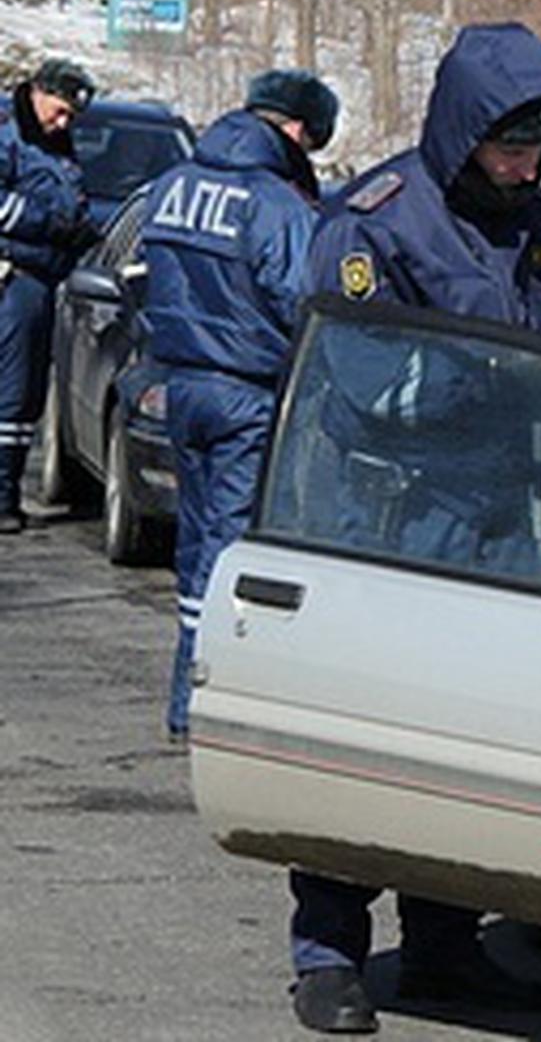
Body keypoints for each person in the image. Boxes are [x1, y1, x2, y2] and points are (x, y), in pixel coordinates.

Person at [289, 21, 541, 1036]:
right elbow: (345, 377)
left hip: (502, 526)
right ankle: (328, 952)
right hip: (384, 521)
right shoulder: (379, 223)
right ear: (461, 130)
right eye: (507, 145)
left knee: (470, 747)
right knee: (364, 743)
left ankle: (445, 943)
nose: (523, 165)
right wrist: (490, 375)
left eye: (538, 148)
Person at [140, 68, 340, 743]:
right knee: (228, 554)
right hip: (246, 395)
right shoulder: (271, 202)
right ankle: (199, 704)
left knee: (195, 543)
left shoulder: (172, 185)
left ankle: (184, 697)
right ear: (293, 130)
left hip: (181, 385)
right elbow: (301, 300)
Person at [0, 58, 97, 534]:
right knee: (11, 394)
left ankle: (7, 490)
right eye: (59, 111)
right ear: (37, 92)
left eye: (70, 118)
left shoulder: (57, 146)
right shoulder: (7, 134)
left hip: (38, 280)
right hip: (12, 277)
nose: (63, 123)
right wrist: (50, 227)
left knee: (22, 399)